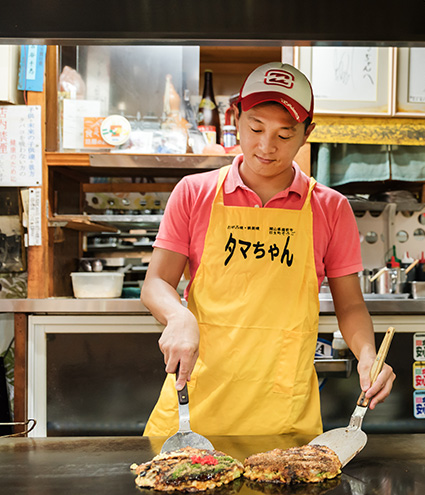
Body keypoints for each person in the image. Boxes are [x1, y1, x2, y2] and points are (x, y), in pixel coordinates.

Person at [142, 62, 395, 436]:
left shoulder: (330, 207)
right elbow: (156, 284)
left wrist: (369, 355)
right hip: (194, 408)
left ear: (307, 134)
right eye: (255, 127)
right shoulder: (194, 192)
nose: (265, 146)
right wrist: (178, 317)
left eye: (284, 134)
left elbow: (351, 305)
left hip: (284, 413)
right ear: (236, 118)